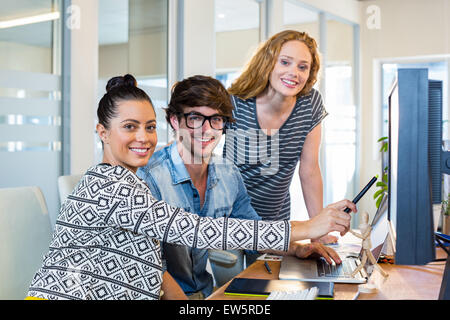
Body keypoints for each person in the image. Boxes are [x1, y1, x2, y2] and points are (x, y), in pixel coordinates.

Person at [26, 74, 355, 300]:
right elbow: (196, 231)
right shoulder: (115, 186)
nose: (143, 138)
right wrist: (310, 226)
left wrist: (297, 244)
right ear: (102, 132)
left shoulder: (126, 181)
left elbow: (239, 227)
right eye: (129, 127)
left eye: (148, 127)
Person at [137, 75, 356, 299]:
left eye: (216, 120)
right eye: (195, 118)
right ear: (175, 121)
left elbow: (254, 230)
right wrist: (310, 226)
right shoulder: (149, 178)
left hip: (205, 294)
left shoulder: (228, 174)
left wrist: (298, 248)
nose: (207, 130)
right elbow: (153, 266)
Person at [225, 30, 335, 247]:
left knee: (274, 280)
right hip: (231, 224)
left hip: (277, 225)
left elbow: (310, 169)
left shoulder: (309, 103)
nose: (294, 72)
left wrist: (318, 230)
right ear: (268, 63)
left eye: (302, 67)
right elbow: (201, 143)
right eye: (285, 62)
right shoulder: (236, 102)